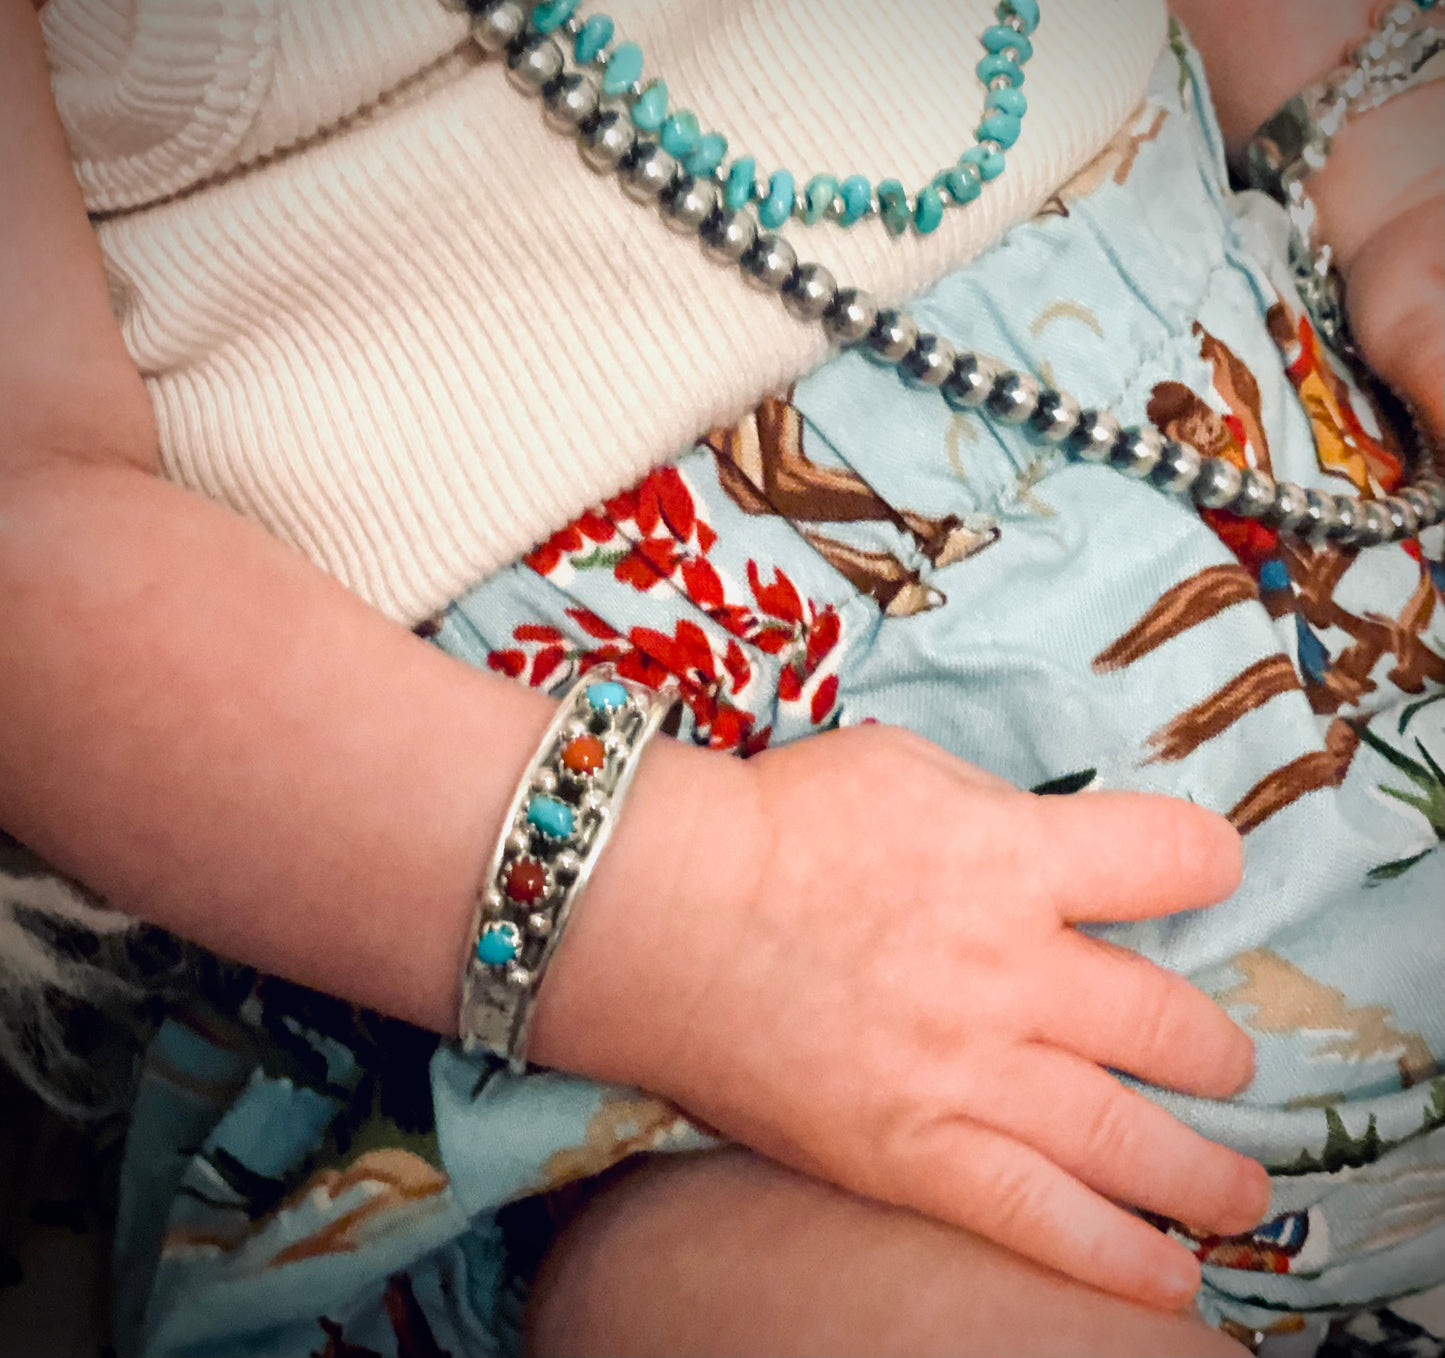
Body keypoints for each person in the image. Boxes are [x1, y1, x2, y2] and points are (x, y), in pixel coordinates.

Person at [0, 0, 1440, 1353]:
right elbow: (28, 515)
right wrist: (696, 914)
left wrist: (1384, 162)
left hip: (1285, 444)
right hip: (580, 901)